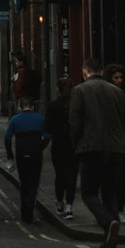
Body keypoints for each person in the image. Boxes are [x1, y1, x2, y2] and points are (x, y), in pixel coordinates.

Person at [69, 57, 125, 248]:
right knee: (110, 193)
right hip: (116, 149)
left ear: (84, 71)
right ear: (102, 71)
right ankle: (110, 237)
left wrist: (76, 146)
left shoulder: (79, 90)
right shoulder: (116, 91)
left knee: (89, 193)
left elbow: (74, 124)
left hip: (91, 148)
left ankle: (108, 222)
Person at [4, 97, 51, 223]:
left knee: (24, 181)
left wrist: (10, 154)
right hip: (36, 154)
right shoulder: (40, 119)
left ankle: (25, 210)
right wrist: (41, 147)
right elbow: (47, 136)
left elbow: (7, 138)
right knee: (34, 181)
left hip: (21, 154)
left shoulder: (15, 120)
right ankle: (30, 201)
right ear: (32, 107)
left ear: (19, 107)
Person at [44, 77, 79, 218]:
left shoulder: (52, 106)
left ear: (58, 90)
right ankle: (69, 207)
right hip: (74, 145)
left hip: (58, 146)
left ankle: (59, 204)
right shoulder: (76, 105)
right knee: (72, 176)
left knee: (60, 176)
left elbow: (47, 127)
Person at [105, 64, 125, 223]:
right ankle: (109, 210)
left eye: (121, 77)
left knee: (120, 178)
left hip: (121, 142)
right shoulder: (104, 94)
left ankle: (119, 210)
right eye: (116, 78)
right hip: (105, 142)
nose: (119, 81)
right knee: (107, 178)